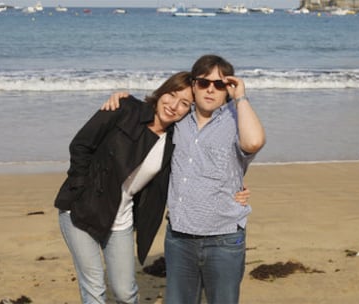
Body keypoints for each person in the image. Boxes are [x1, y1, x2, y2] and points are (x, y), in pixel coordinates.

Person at [102, 54, 266, 304]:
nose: (211, 89)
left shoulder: (236, 121)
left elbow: (253, 142)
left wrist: (241, 97)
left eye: (220, 85)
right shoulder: (178, 121)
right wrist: (122, 99)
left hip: (223, 238)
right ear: (193, 85)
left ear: (227, 90)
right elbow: (150, 113)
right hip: (179, 238)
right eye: (203, 83)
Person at [54, 71, 194, 304]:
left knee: (125, 292)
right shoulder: (126, 109)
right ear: (162, 91)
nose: (174, 106)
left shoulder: (176, 140)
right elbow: (80, 145)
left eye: (185, 104)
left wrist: (234, 191)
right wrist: (80, 189)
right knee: (95, 287)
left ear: (189, 111)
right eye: (172, 94)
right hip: (81, 210)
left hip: (121, 219)